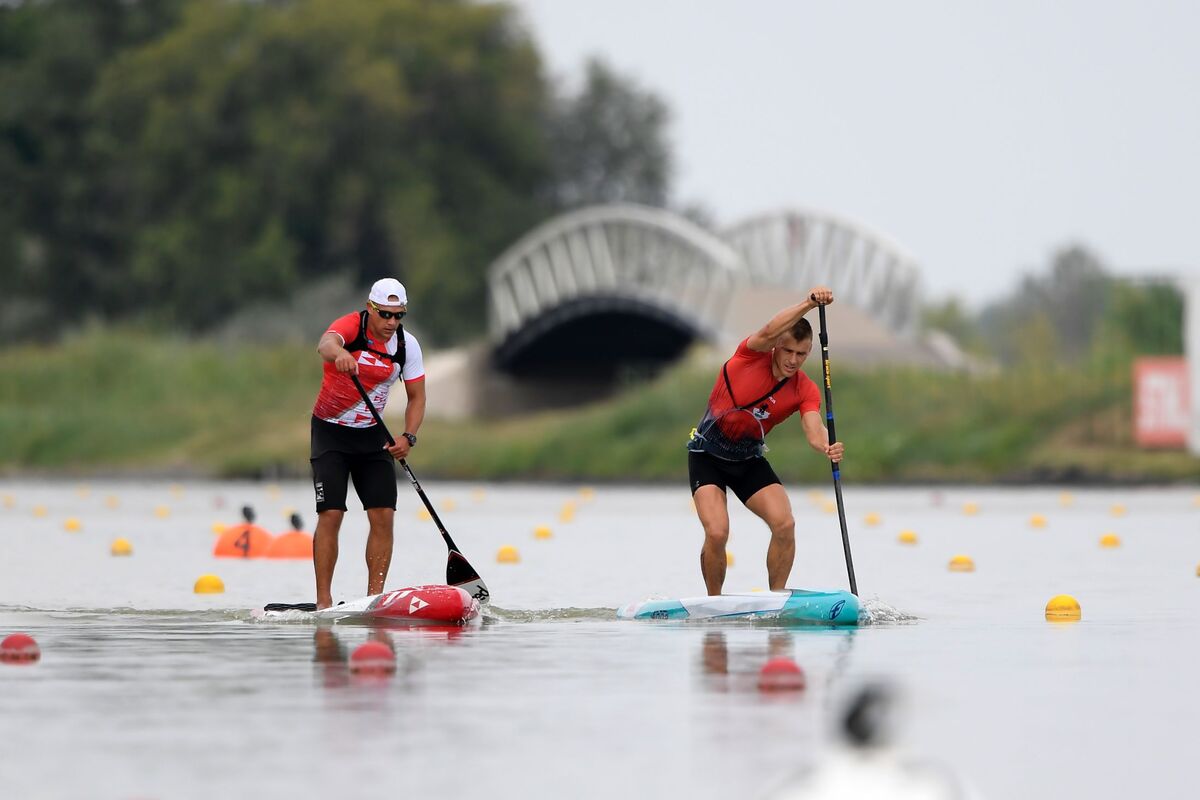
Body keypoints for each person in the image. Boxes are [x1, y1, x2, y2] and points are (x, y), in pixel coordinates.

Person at [687, 286, 844, 596]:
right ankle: (714, 601)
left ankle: (777, 599)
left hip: (748, 461)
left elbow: (814, 429)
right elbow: (772, 328)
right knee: (717, 532)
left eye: (801, 354)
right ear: (776, 347)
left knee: (785, 525)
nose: (793, 361)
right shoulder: (749, 355)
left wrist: (828, 445)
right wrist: (809, 304)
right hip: (707, 456)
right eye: (788, 351)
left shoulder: (804, 389)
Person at [310, 278, 425, 609]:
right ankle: (323, 603)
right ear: (370, 308)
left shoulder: (407, 346)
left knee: (383, 515)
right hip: (330, 433)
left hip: (373, 435)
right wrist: (340, 353)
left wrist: (408, 436)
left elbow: (417, 397)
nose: (391, 323)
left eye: (398, 315)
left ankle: (375, 599)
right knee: (331, 514)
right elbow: (325, 344)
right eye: (385, 314)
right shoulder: (352, 326)